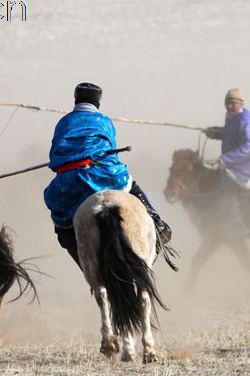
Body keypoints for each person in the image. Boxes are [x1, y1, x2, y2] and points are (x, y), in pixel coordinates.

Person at [43, 82, 172, 266]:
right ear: (98, 102)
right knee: (129, 183)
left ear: (76, 99)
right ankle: (157, 222)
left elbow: (54, 156)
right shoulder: (104, 121)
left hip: (71, 182)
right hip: (103, 175)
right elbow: (110, 150)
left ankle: (82, 259)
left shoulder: (63, 122)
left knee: (61, 224)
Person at [204, 88, 250, 189]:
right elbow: (231, 133)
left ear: (240, 104)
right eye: (227, 103)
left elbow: (247, 148)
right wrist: (214, 133)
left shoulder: (247, 122)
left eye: (232, 103)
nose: (229, 106)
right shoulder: (231, 116)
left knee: (227, 191)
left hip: (248, 166)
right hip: (236, 164)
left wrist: (225, 159)